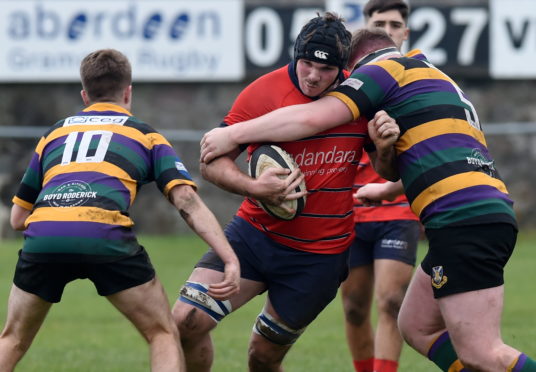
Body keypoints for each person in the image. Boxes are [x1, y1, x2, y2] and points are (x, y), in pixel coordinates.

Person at [199, 28, 536, 372]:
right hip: (481, 209)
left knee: (482, 352)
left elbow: (312, 117)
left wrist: (231, 133)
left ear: (356, 65)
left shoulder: (383, 71)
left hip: (462, 218)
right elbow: (436, 158)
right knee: (417, 325)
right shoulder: (435, 77)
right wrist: (387, 185)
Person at [0, 49, 240, 372]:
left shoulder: (54, 134)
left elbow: (17, 219)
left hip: (45, 235)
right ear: (128, 92)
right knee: (161, 333)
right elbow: (186, 200)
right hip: (104, 233)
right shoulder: (146, 135)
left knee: (12, 339)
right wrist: (227, 256)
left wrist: (63, 214)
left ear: (85, 95)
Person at [172, 13, 369, 372]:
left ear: (341, 68)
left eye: (325, 70)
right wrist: (254, 187)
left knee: (262, 358)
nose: (312, 76)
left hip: (319, 257)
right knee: (186, 321)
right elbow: (211, 163)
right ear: (295, 55)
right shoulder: (264, 92)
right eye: (307, 63)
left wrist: (385, 145)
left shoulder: (359, 97)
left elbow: (386, 167)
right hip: (254, 238)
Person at [340, 2, 420, 372]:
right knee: (355, 308)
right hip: (351, 213)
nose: (388, 29)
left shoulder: (421, 82)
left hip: (397, 210)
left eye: (395, 24)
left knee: (391, 303)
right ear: (367, 31)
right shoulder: (349, 85)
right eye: (379, 23)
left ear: (405, 33)